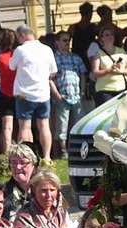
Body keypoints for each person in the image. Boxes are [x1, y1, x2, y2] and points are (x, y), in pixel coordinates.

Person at [9, 25, 58, 162]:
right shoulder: (46, 49)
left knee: (25, 127)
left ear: (23, 35)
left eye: (19, 38)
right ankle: (47, 157)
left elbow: (11, 66)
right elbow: (53, 71)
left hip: (25, 94)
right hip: (43, 93)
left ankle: (27, 156)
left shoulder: (21, 50)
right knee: (44, 126)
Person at [52, 30, 87, 159]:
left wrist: (82, 92)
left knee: (78, 124)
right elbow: (49, 78)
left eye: (68, 40)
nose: (67, 43)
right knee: (62, 125)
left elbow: (83, 74)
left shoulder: (76, 57)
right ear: (57, 43)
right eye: (64, 40)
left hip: (76, 95)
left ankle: (77, 149)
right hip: (62, 95)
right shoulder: (54, 58)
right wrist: (56, 93)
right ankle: (63, 151)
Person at [91, 25, 127, 107]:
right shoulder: (99, 53)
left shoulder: (121, 51)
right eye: (106, 35)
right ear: (102, 38)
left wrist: (120, 71)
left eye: (111, 34)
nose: (109, 37)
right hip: (105, 90)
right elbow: (95, 73)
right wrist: (108, 70)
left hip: (122, 89)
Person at [0, 29, 18, 154]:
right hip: (18, 92)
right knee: (22, 125)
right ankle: (19, 151)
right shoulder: (17, 55)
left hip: (4, 92)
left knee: (7, 126)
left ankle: (6, 154)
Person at [3, 142, 38, 219]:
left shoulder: (44, 188)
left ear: (34, 166)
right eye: (14, 163)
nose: (18, 167)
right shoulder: (3, 192)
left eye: (23, 163)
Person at [69, 2, 99, 71]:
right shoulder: (93, 27)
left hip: (90, 57)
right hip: (79, 57)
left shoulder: (73, 27)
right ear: (89, 14)